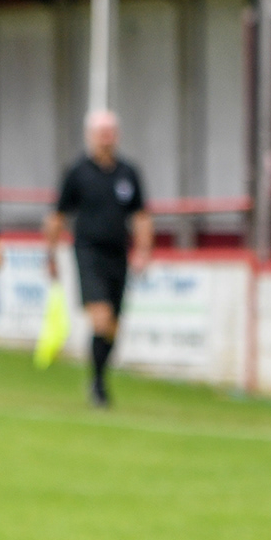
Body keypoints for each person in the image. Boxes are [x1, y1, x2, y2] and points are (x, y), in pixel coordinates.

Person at [42, 110, 154, 408]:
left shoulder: (128, 173)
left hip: (119, 253)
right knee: (101, 317)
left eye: (110, 132)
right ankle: (99, 385)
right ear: (90, 135)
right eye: (100, 132)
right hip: (88, 252)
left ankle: (99, 377)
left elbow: (141, 215)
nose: (106, 138)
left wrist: (143, 250)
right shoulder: (78, 172)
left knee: (114, 324)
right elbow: (58, 215)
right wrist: (50, 254)